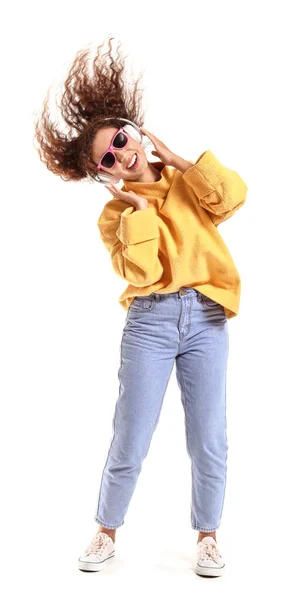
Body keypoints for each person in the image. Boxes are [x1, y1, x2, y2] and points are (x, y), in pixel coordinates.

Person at [34, 37, 248, 578]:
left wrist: (179, 160)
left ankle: (208, 537)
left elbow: (232, 198)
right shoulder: (115, 217)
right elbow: (145, 274)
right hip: (150, 324)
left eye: (121, 140)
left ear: (135, 132)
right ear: (102, 173)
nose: (123, 154)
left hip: (206, 318)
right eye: (108, 158)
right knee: (131, 433)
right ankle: (106, 530)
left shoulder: (186, 182)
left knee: (209, 437)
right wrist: (135, 209)